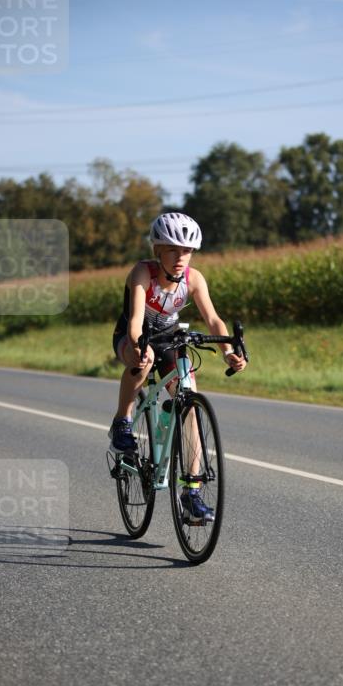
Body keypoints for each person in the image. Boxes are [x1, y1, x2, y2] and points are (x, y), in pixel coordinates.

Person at [109, 212, 246, 522]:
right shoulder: (143, 273)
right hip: (134, 334)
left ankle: (191, 492)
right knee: (140, 365)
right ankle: (123, 420)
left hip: (169, 338)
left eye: (186, 251)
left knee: (192, 407)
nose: (180, 257)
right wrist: (138, 347)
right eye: (172, 249)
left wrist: (227, 352)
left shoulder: (193, 279)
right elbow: (133, 321)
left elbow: (213, 320)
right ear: (158, 250)